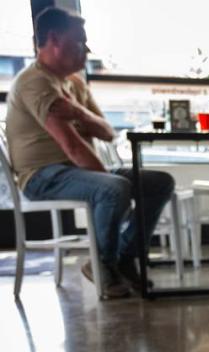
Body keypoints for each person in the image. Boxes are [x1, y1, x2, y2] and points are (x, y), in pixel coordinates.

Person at [6, 7, 174, 298]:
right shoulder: (35, 82)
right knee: (114, 188)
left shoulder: (74, 83)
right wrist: (115, 190)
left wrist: (77, 111)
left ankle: (123, 258)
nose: (86, 49)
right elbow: (71, 147)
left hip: (76, 170)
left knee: (160, 182)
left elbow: (107, 132)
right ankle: (103, 266)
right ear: (55, 40)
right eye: (79, 42)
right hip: (42, 176)